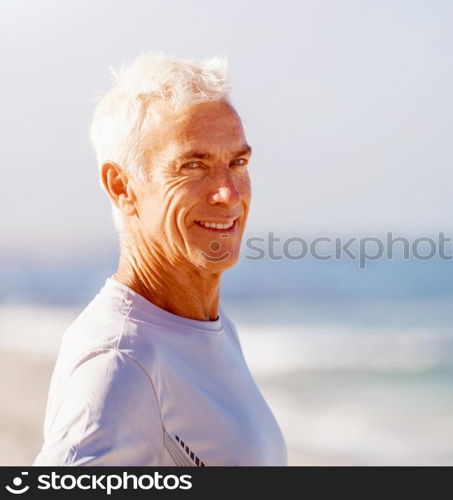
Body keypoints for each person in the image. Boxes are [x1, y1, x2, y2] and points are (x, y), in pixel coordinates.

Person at [33, 52, 287, 466]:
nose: (230, 194)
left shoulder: (209, 328)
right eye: (193, 165)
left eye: (237, 162)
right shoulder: (119, 363)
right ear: (121, 186)